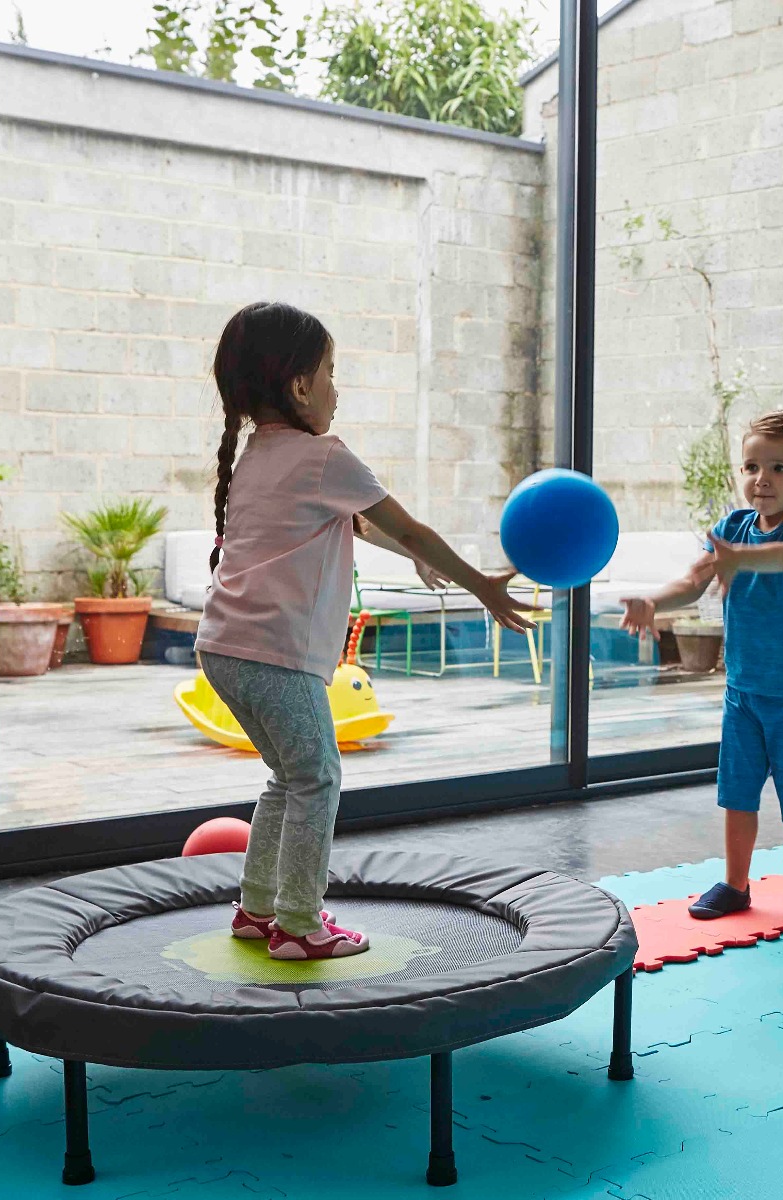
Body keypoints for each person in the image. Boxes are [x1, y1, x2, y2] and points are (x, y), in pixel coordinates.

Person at [195, 301, 533, 960]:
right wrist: (482, 586)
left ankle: (256, 907)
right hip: (274, 655)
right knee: (316, 779)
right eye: (329, 371)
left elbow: (355, 524)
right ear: (298, 385)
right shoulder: (324, 455)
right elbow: (408, 526)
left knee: (287, 778)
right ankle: (298, 924)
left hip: (225, 650)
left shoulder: (258, 455)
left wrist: (408, 553)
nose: (336, 388)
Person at [620, 411, 783, 936]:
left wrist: (739, 558)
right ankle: (736, 884)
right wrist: (653, 601)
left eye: (779, 468)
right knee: (737, 796)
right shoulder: (729, 530)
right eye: (752, 465)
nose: (761, 479)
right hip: (743, 696)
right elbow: (694, 581)